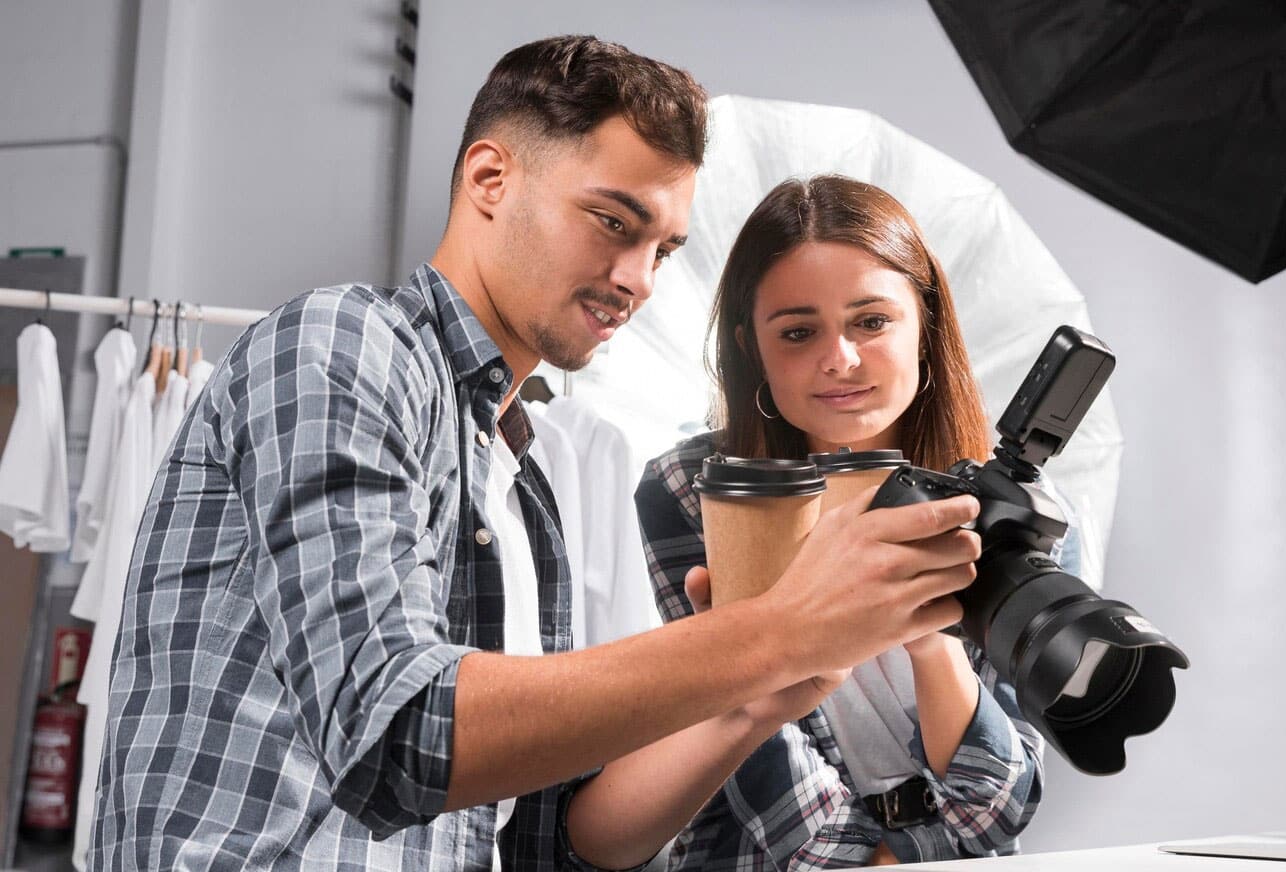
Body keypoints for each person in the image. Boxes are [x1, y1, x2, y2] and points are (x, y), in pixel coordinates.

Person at [90, 39, 984, 871]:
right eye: (611, 221)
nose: (636, 277)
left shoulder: (525, 476)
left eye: (662, 249)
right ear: (489, 177)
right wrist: (774, 630)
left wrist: (765, 694)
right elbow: (400, 734)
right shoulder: (343, 344)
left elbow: (554, 843)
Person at [637, 175, 1065, 867]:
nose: (839, 359)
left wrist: (931, 636)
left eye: (871, 321)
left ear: (923, 323)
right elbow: (751, 745)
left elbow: (1004, 809)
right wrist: (875, 864)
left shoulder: (1010, 506)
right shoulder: (693, 490)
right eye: (800, 332)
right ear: (751, 345)